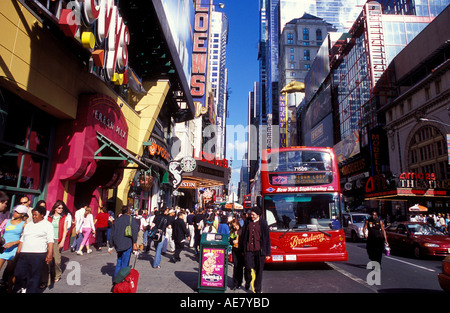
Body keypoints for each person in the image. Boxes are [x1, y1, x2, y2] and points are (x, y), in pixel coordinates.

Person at [13, 205, 54, 293]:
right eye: (33, 215)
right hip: (24, 253)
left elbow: (50, 241)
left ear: (42, 215)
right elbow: (22, 239)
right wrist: (18, 252)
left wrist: (49, 254)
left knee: (34, 276)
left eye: (36, 215)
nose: (34, 217)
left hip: (38, 254)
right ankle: (23, 287)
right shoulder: (28, 225)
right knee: (18, 273)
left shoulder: (48, 225)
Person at [240, 206, 271, 293]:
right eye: (251, 214)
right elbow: (243, 236)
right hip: (248, 249)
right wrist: (242, 249)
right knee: (247, 268)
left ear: (258, 214)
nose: (251, 216)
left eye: (253, 215)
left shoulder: (263, 223)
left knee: (259, 271)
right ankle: (248, 281)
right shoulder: (247, 221)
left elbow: (267, 238)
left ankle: (257, 289)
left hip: (259, 250)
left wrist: (268, 253)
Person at [0, 205, 27, 292]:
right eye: (15, 211)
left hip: (13, 250)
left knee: (11, 272)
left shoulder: (24, 225)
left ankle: (10, 290)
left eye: (18, 212)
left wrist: (13, 243)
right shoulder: (6, 221)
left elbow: (25, 239)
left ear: (22, 214)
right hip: (3, 249)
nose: (15, 213)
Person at [108, 206, 139, 281]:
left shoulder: (117, 220)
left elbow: (112, 233)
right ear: (128, 211)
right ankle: (121, 280)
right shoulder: (131, 220)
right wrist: (134, 242)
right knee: (125, 263)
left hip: (118, 243)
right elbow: (135, 232)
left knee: (119, 261)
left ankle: (116, 279)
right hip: (127, 243)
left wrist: (111, 245)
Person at [42, 200, 68, 287]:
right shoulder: (49, 217)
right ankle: (47, 279)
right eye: (59, 208)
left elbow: (65, 230)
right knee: (47, 261)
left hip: (57, 240)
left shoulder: (64, 218)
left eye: (62, 208)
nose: (60, 209)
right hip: (49, 240)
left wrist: (63, 241)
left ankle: (57, 274)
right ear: (55, 208)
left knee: (57, 261)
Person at [229, 218, 244, 290]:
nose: (235, 227)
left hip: (240, 251)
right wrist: (233, 241)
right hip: (235, 250)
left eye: (236, 225)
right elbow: (230, 241)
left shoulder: (242, 231)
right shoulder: (232, 232)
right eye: (233, 226)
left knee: (240, 267)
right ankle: (234, 283)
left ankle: (239, 282)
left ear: (238, 224)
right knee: (235, 266)